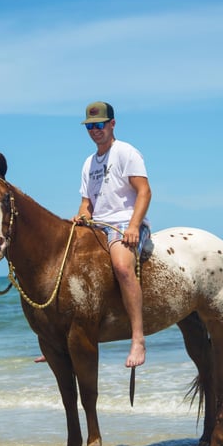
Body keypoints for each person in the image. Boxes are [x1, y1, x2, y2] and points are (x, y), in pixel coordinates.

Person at [72, 101, 152, 368]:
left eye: (99, 125)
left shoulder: (126, 152)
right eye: (90, 126)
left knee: (121, 266)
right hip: (97, 226)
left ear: (112, 124)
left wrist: (133, 226)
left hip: (124, 224)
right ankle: (62, 339)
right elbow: (87, 204)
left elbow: (144, 191)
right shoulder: (88, 163)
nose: (94, 130)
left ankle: (138, 339)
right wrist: (82, 216)